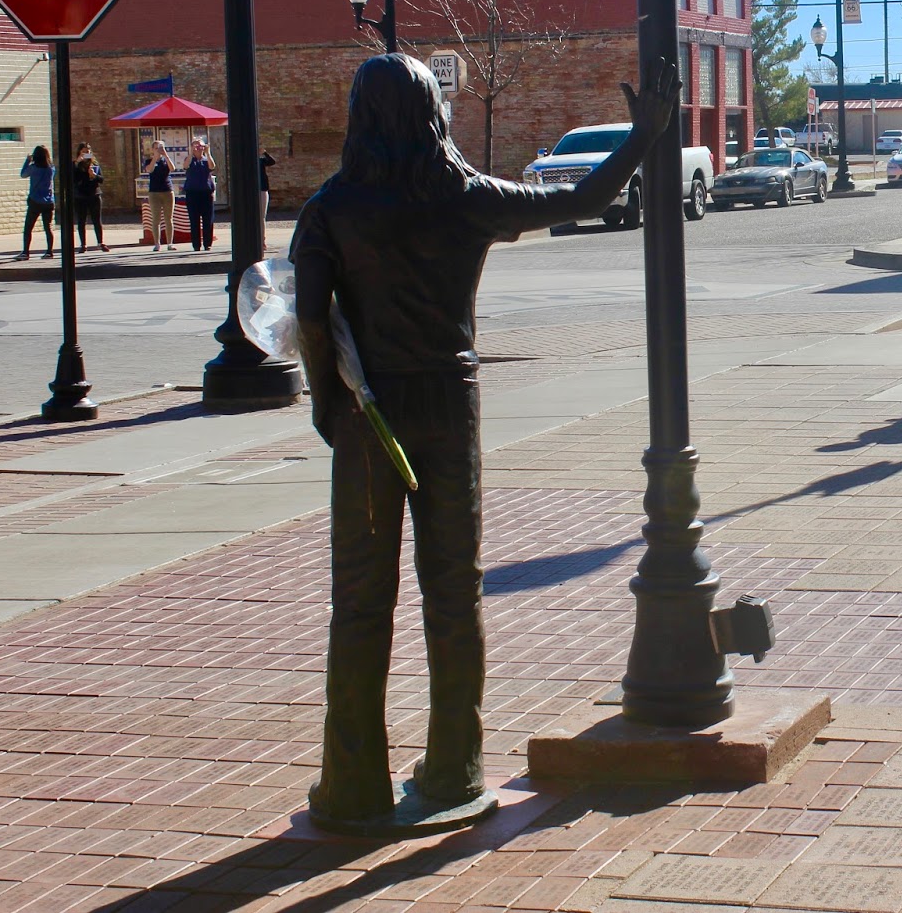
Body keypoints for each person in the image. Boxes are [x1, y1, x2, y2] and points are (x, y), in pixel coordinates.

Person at [290, 53, 679, 831]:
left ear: (362, 116)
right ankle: (454, 765)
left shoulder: (330, 209)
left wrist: (330, 406)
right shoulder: (465, 197)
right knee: (453, 592)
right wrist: (643, 138)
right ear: (434, 114)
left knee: (361, 602)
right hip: (449, 401)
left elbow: (308, 318)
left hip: (370, 413)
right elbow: (581, 197)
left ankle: (354, 782)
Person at [17, 145, 55, 261]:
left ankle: (26, 252)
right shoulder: (51, 168)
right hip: (48, 201)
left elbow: (23, 174)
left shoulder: (33, 168)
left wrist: (28, 160)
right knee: (48, 227)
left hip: (35, 201)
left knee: (28, 228)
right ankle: (49, 251)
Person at [73, 143, 109, 253]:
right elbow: (72, 178)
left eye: (88, 151)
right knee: (81, 220)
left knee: (97, 219)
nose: (86, 154)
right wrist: (78, 162)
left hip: (94, 194)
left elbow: (101, 179)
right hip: (81, 195)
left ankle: (100, 242)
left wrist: (94, 175)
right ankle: (83, 244)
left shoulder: (95, 164)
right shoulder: (75, 165)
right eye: (84, 151)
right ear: (79, 152)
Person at [142, 141, 176, 250]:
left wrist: (165, 155)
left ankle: (170, 243)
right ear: (152, 149)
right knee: (156, 219)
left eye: (160, 148)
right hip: (154, 192)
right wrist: (154, 158)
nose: (159, 150)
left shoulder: (165, 160)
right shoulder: (148, 160)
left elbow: (172, 168)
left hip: (167, 191)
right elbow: (149, 170)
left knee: (168, 218)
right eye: (156, 148)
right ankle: (157, 243)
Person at [184, 137, 216, 252]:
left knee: (208, 220)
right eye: (196, 146)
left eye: (201, 146)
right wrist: (191, 152)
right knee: (194, 220)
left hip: (206, 193)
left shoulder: (206, 159)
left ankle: (207, 244)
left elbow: (212, 166)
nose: (199, 148)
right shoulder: (190, 159)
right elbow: (186, 166)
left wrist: (208, 152)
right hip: (192, 193)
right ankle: (196, 245)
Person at [259, 149, 277, 244]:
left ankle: (262, 240)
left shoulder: (261, 161)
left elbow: (272, 161)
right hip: (252, 191)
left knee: (262, 216)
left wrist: (264, 153)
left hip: (262, 189)